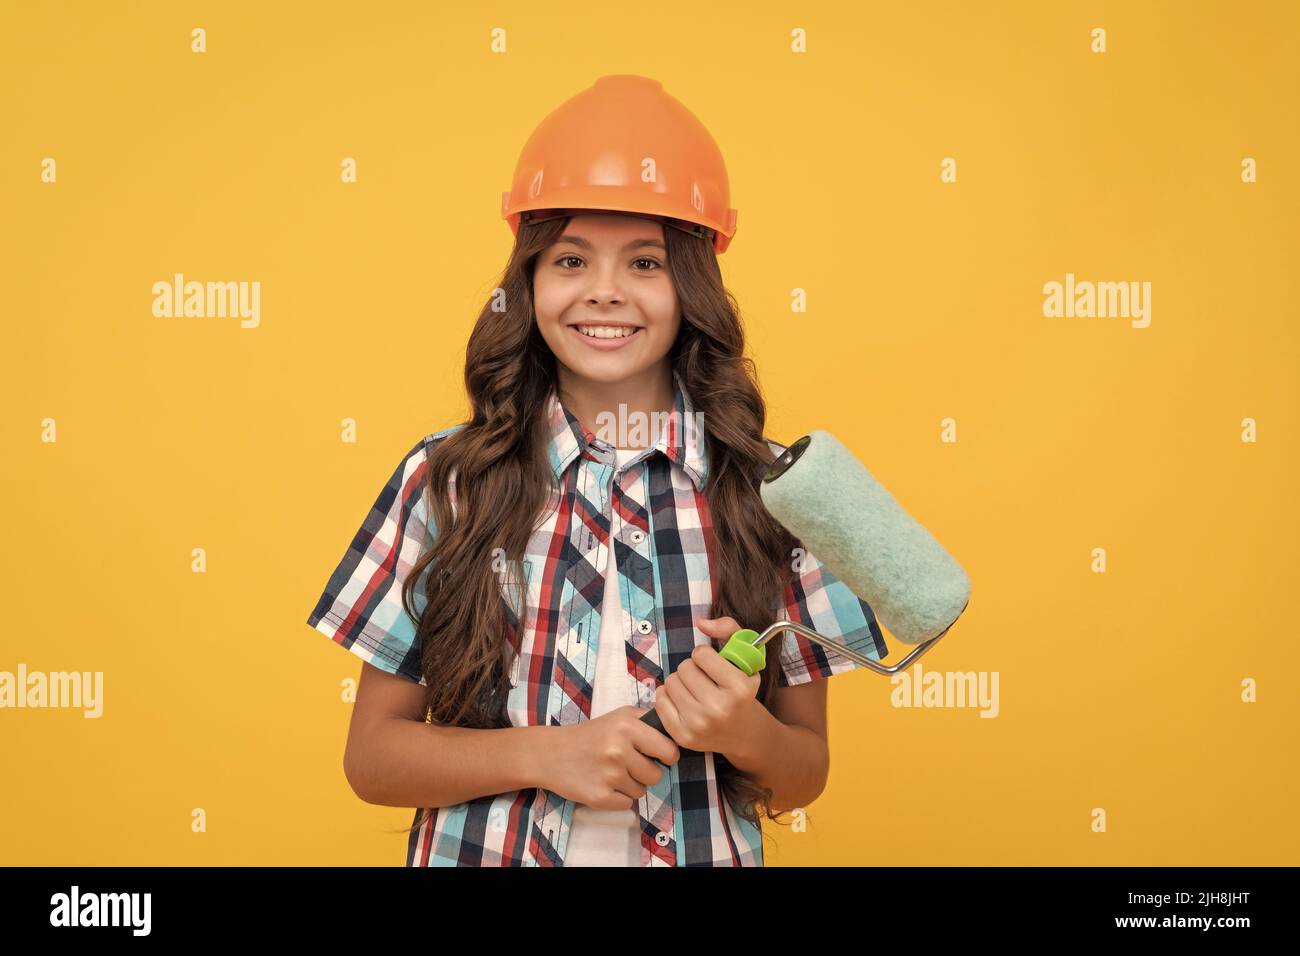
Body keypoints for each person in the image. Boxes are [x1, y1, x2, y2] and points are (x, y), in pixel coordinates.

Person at [305, 75, 888, 867]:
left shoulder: (774, 493)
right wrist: (550, 754)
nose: (604, 293)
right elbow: (372, 758)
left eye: (645, 262)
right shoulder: (447, 480)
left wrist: (740, 730)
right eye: (571, 259)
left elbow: (804, 773)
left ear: (691, 289)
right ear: (532, 283)